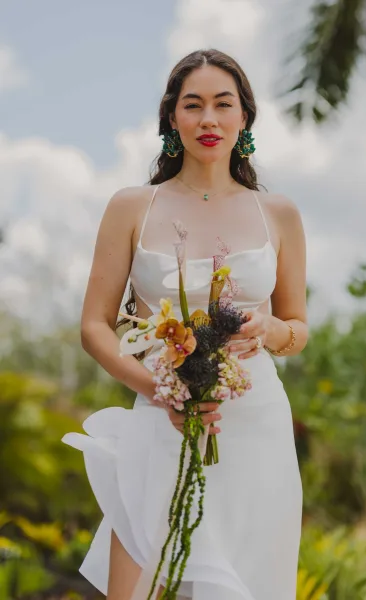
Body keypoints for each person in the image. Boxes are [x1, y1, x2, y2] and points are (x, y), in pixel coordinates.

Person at [62, 48, 307, 600]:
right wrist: (159, 390)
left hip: (255, 423)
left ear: (245, 115)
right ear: (172, 117)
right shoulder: (132, 206)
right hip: (160, 416)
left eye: (224, 104)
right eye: (192, 105)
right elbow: (94, 326)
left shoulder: (281, 214)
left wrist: (270, 331)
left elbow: (298, 326)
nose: (208, 119)